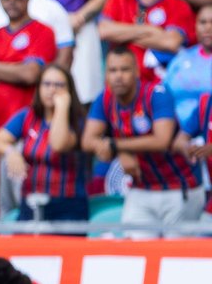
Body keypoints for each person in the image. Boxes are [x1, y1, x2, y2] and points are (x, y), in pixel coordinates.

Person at [83, 47, 202, 230]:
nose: (118, 76)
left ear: (137, 72)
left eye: (125, 69)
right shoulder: (105, 99)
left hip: (179, 187)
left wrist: (116, 146)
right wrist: (120, 151)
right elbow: (88, 140)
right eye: (113, 70)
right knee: (135, 252)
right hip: (141, 188)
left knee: (174, 254)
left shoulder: (156, 94)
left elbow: (161, 140)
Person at [0, 63, 89, 221]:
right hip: (31, 202)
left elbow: (58, 144)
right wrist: (11, 152)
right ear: (39, 88)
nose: (52, 90)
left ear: (69, 90)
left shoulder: (78, 121)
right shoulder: (28, 116)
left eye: (59, 85)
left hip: (68, 206)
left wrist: (61, 107)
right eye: (46, 84)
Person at [100, 0, 196, 85]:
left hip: (161, 85)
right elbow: (103, 31)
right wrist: (150, 30)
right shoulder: (117, 1)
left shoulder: (178, 6)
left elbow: (171, 42)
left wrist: (122, 34)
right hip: (120, 86)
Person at [164, 4, 212, 124]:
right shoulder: (181, 58)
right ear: (195, 26)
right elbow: (165, 93)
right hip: (174, 130)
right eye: (203, 22)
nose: (208, 27)